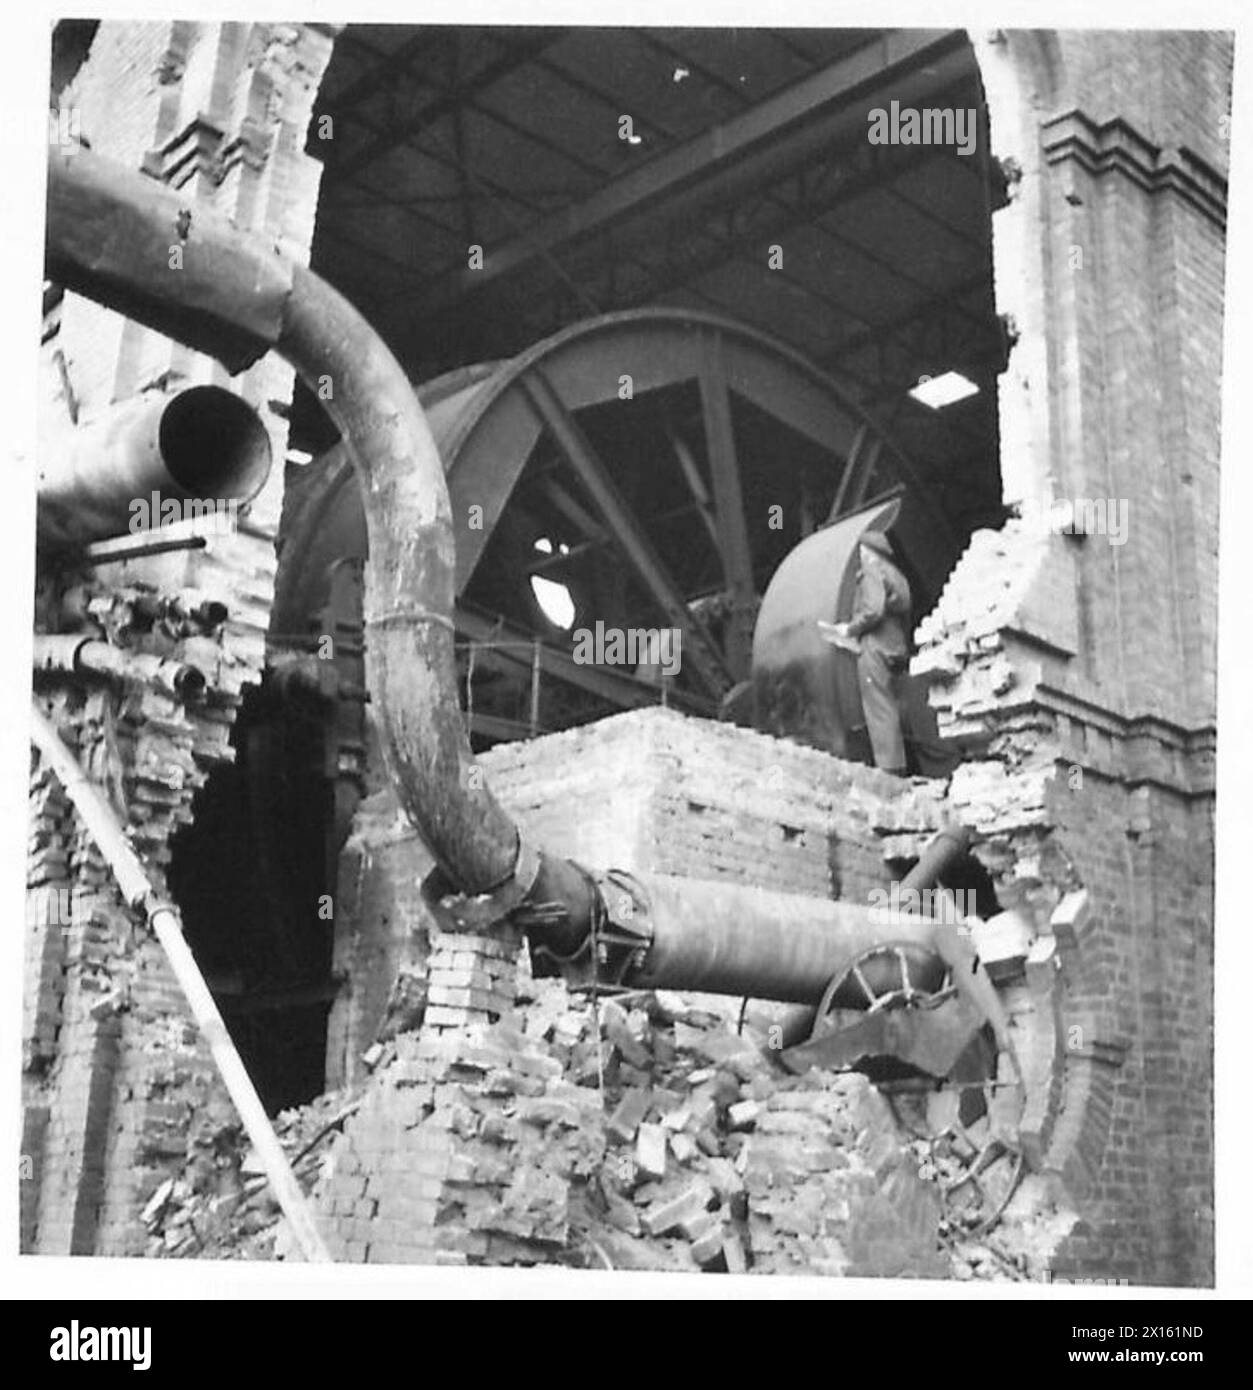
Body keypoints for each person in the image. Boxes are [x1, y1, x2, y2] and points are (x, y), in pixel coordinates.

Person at [817, 530, 911, 775]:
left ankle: (890, 770)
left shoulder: (871, 569)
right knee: (894, 705)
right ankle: (901, 764)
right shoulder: (897, 574)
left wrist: (848, 629)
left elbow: (873, 610)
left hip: (875, 648)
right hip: (895, 646)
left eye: (860, 550)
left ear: (867, 551)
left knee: (879, 709)